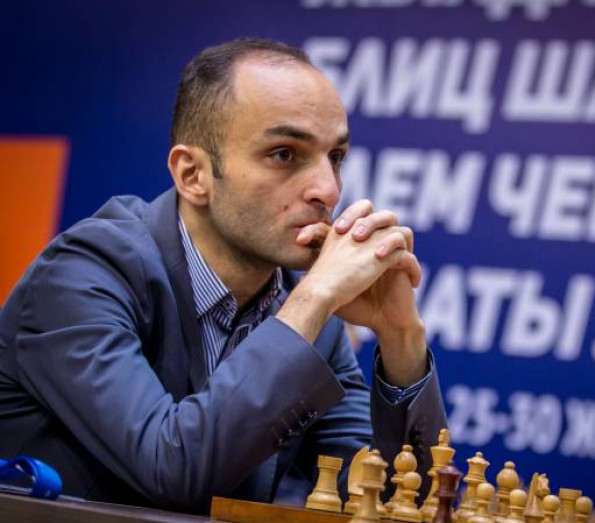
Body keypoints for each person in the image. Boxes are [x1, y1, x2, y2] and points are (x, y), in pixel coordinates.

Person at [0, 39, 447, 513]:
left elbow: (395, 500)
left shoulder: (304, 312)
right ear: (193, 175)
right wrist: (314, 297)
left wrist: (401, 338)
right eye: (284, 154)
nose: (329, 190)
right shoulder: (81, 275)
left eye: (335, 157)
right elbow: (171, 472)